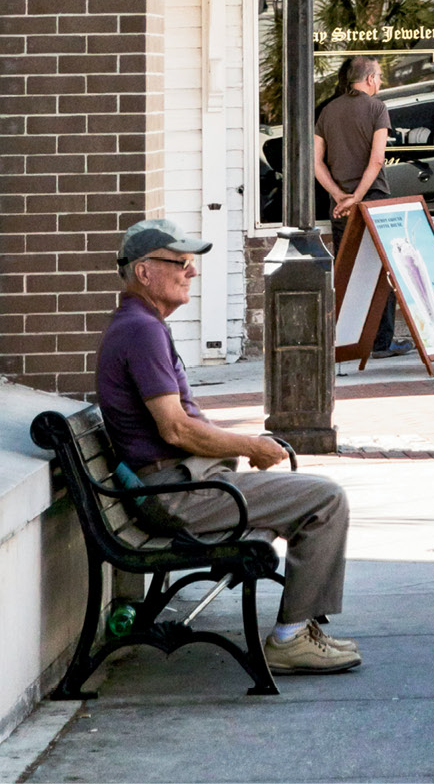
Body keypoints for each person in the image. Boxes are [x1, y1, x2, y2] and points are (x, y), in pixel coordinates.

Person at [95, 219, 359, 676]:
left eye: (190, 263)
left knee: (314, 495)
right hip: (177, 494)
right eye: (179, 262)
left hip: (179, 485)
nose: (190, 272)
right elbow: (176, 430)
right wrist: (248, 446)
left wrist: (238, 448)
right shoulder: (141, 331)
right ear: (143, 272)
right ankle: (291, 637)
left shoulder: (140, 326)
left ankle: (301, 628)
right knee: (325, 498)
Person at [314, 55, 411, 359]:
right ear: (369, 79)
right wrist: (358, 196)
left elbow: (316, 163)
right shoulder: (376, 108)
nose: (380, 82)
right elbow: (377, 160)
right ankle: (381, 342)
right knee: (384, 271)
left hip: (341, 207)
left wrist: (341, 196)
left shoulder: (327, 111)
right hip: (374, 200)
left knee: (348, 271)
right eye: (379, 76)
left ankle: (347, 340)